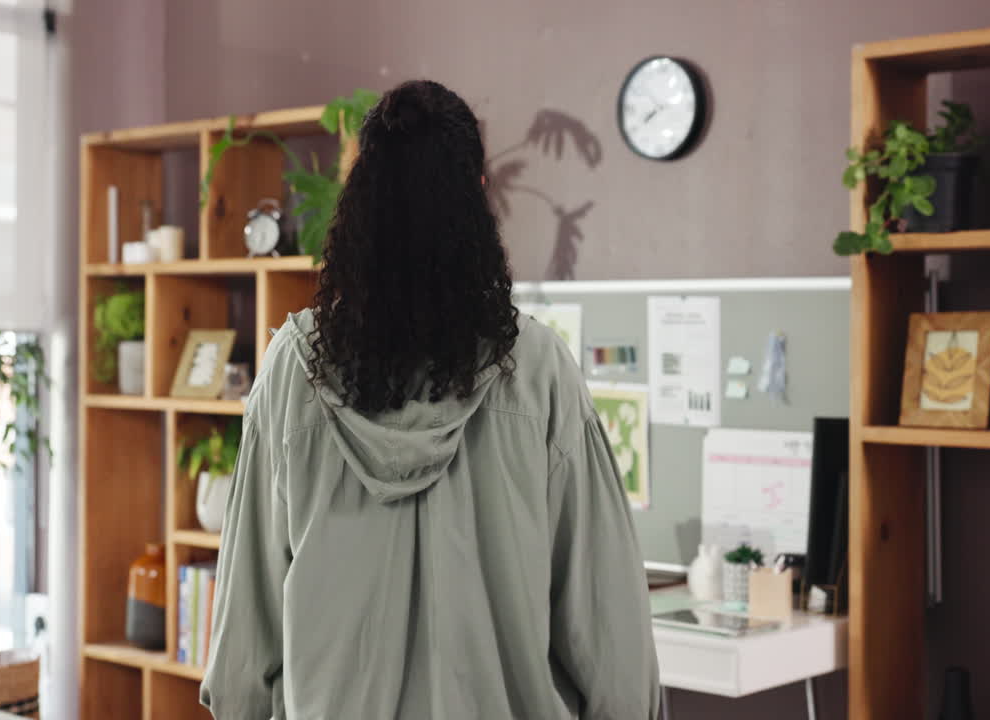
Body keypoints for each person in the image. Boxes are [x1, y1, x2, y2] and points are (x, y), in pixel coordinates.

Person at [200, 79, 660, 720]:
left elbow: (241, 657)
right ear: (476, 199)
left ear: (362, 204)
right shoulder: (537, 370)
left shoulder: (291, 371)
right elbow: (616, 649)